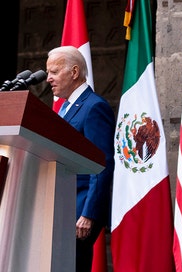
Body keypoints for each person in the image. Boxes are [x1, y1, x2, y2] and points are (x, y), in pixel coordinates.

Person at [46, 45, 115, 272]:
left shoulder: (94, 107)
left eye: (54, 72)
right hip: (62, 203)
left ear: (74, 72)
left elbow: (102, 163)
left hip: (80, 207)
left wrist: (89, 212)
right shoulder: (65, 108)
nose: (48, 79)